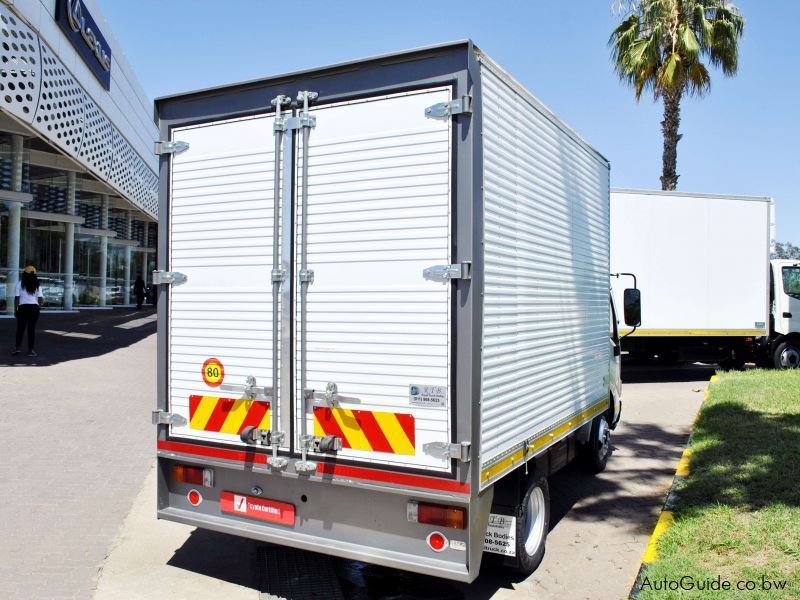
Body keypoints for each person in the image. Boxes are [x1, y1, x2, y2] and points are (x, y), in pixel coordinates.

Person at [12, 265, 44, 357]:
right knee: (31, 330)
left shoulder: (20, 284)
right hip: (34, 308)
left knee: (20, 329)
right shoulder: (37, 285)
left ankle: (17, 348)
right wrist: (40, 306)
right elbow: (41, 299)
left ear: (24, 274)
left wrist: (15, 310)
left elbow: (17, 298)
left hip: (22, 308)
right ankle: (31, 351)